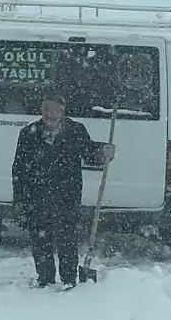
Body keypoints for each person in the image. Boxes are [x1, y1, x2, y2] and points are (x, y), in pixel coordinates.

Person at [11, 93, 115, 289]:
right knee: (41, 241)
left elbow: (89, 153)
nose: (52, 115)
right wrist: (20, 202)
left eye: (57, 110)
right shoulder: (28, 134)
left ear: (63, 111)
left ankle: (69, 280)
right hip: (37, 198)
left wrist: (103, 152)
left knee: (67, 241)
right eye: (47, 110)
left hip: (66, 197)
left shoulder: (75, 131)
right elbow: (19, 171)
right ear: (42, 110)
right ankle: (45, 280)